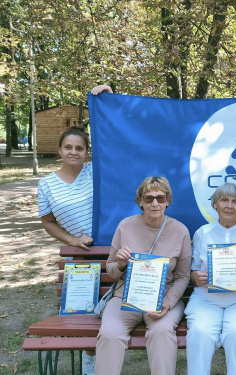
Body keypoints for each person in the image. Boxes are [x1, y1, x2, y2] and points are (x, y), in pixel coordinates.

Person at [95, 176, 192, 375]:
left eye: (160, 198)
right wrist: (121, 264)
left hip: (163, 299)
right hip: (125, 297)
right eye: (149, 198)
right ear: (140, 201)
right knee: (110, 333)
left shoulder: (180, 230)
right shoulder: (125, 226)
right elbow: (111, 269)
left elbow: (183, 276)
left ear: (168, 201)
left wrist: (168, 302)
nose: (155, 203)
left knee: (161, 332)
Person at [186, 182, 236, 375]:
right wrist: (196, 277)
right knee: (200, 334)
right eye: (224, 200)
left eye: (235, 201)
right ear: (215, 204)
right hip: (207, 300)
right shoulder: (202, 233)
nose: (229, 206)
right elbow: (193, 271)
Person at [37, 125, 96, 374]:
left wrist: (107, 96)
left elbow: (116, 141)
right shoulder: (47, 185)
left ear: (86, 151)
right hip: (81, 256)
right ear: (59, 150)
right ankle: (90, 366)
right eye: (68, 147)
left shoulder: (96, 171)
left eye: (79, 148)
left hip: (113, 249)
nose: (74, 152)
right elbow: (47, 221)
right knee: (86, 317)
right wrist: (71, 240)